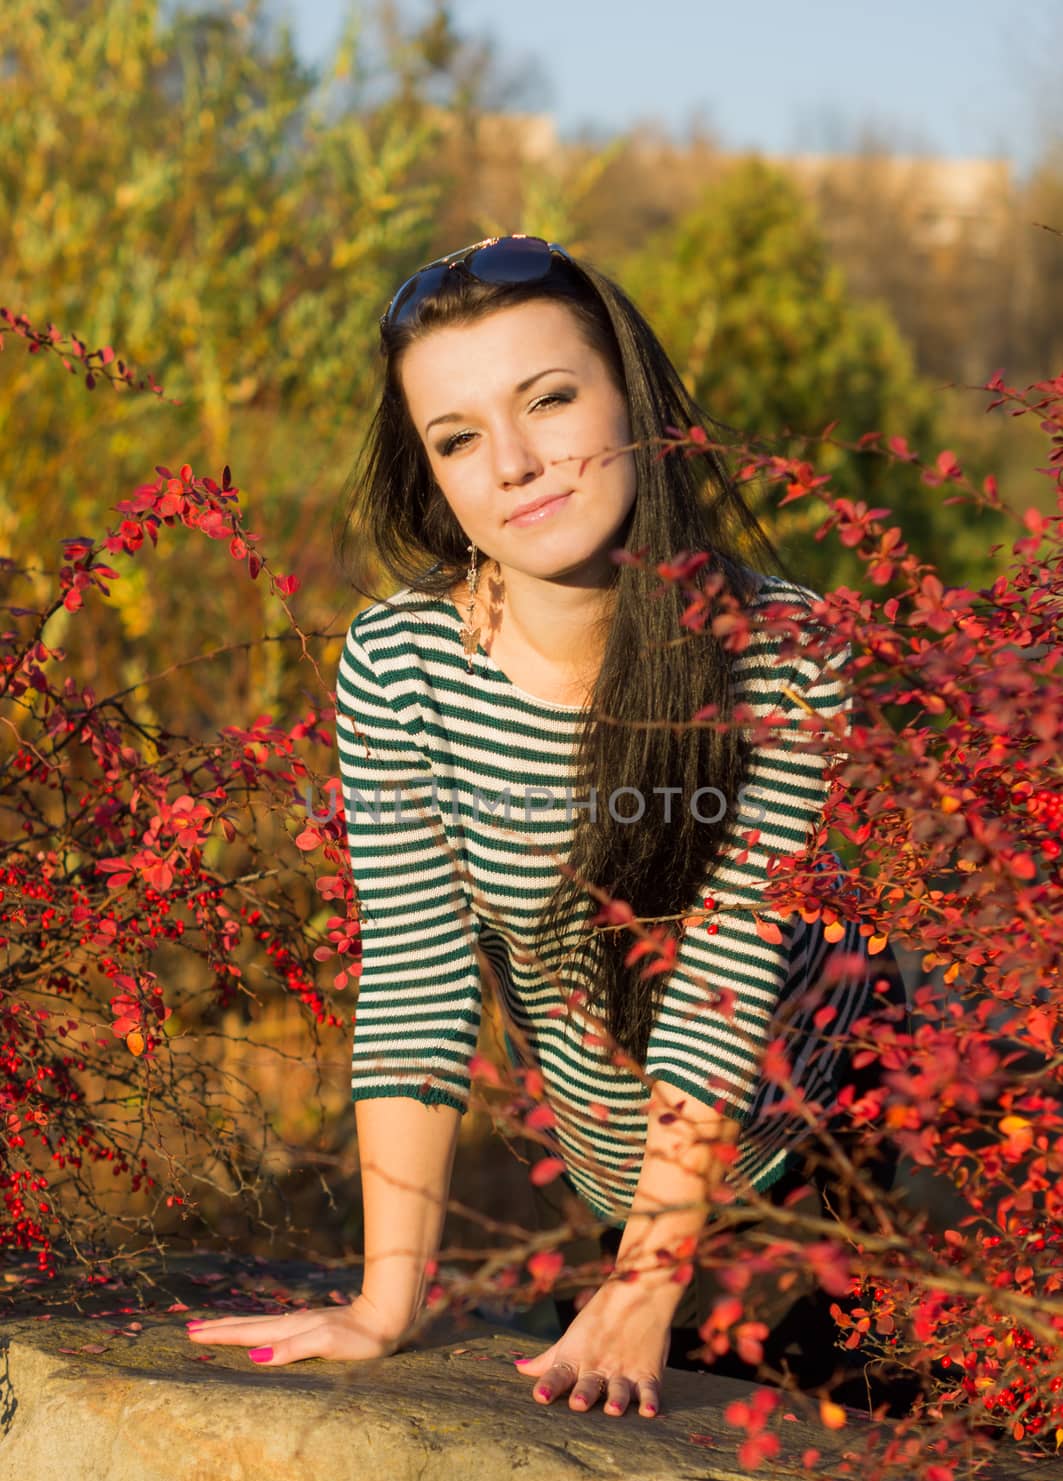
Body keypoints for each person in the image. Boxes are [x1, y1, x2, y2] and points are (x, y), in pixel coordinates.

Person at [186, 234, 913, 1418]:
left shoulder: (780, 649)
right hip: (605, 1154)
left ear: (633, 398)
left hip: (815, 1145)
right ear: (431, 474)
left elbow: (726, 964)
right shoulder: (401, 664)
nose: (514, 464)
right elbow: (418, 976)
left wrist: (650, 1277)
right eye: (459, 438)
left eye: (551, 399)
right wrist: (386, 1298)